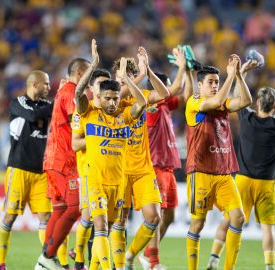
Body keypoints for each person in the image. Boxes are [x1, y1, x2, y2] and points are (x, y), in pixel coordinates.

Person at [204, 60, 275, 270]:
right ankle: (270, 266)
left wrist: (241, 75)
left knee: (227, 222)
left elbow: (239, 98)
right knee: (268, 229)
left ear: (257, 103)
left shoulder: (247, 117)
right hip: (266, 185)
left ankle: (214, 258)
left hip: (242, 181)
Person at [72, 52, 148, 270]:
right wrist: (94, 64)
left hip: (119, 183)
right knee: (101, 226)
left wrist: (128, 79)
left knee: (114, 227)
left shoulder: (124, 116)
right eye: (108, 98)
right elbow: (78, 92)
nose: (113, 102)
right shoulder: (89, 113)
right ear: (100, 97)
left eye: (116, 98)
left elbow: (141, 102)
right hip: (95, 181)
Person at [185, 55, 252, 270]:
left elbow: (246, 101)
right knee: (198, 223)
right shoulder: (194, 102)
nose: (215, 86)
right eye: (211, 82)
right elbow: (213, 102)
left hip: (223, 173)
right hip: (201, 172)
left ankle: (228, 268)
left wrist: (240, 76)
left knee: (238, 218)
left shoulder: (222, 102)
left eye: (217, 82)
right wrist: (231, 76)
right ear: (200, 84)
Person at [110, 47, 170, 270]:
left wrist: (149, 71)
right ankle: (119, 265)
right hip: (119, 169)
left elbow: (164, 94)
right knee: (119, 221)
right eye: (118, 78)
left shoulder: (141, 96)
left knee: (153, 218)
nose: (121, 82)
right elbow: (125, 94)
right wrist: (134, 78)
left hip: (143, 168)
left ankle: (129, 256)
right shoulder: (110, 101)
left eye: (125, 78)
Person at [139, 46, 193, 270]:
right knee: (157, 216)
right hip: (154, 165)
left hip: (168, 167)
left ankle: (146, 253)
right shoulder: (152, 102)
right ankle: (153, 262)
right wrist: (181, 66)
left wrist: (188, 70)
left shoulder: (165, 105)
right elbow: (176, 88)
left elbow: (186, 96)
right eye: (167, 84)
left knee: (169, 216)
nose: (171, 88)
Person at [0, 70, 53, 270]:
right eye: (45, 84)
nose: (49, 87)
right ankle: (0, 262)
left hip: (42, 171)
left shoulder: (47, 105)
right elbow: (33, 115)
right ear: (34, 85)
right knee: (10, 217)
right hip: (19, 168)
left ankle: (47, 260)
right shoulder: (17, 103)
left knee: (46, 218)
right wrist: (56, 104)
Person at [37, 56, 91, 269]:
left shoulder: (63, 91)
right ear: (80, 74)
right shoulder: (71, 93)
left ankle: (44, 261)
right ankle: (48, 256)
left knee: (59, 210)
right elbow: (79, 117)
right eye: (87, 75)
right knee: (76, 207)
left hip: (52, 158)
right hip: (64, 161)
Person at [72, 67, 112, 270]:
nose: (103, 89)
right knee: (90, 221)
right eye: (100, 84)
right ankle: (79, 260)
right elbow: (75, 144)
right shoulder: (84, 112)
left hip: (110, 174)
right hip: (88, 172)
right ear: (91, 87)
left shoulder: (113, 111)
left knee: (102, 224)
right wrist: (97, 137)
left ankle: (85, 261)